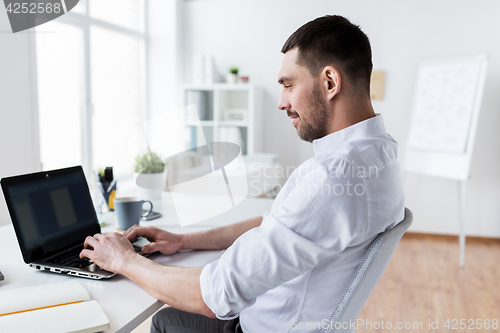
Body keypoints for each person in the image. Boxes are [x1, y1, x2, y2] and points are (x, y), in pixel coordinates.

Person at [80, 15, 405, 333]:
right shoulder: (381, 153)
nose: (282, 103)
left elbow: (211, 296)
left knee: (166, 318)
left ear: (330, 82)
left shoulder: (332, 178)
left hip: (259, 325)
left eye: (288, 85)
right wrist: (184, 240)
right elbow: (279, 223)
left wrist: (124, 260)